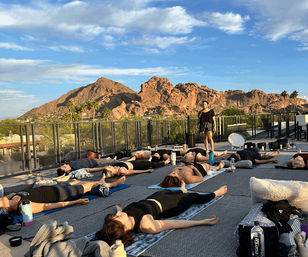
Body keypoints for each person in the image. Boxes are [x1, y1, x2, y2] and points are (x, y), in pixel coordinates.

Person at [95, 183, 227, 247]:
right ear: (125, 228)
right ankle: (216, 193)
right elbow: (174, 223)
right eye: (118, 217)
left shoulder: (122, 216)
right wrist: (202, 222)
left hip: (154, 197)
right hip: (171, 205)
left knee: (174, 191)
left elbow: (117, 213)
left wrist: (117, 208)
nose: (118, 215)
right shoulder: (146, 225)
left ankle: (182, 189)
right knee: (195, 197)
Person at [0, 175, 126, 214]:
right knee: (87, 186)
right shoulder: (23, 207)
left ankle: (100, 182)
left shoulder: (11, 197)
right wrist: (76, 202)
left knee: (77, 181)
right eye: (2, 201)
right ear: (5, 208)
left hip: (54, 188)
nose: (2, 198)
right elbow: (49, 206)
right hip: (62, 195)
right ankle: (113, 184)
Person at [159, 161, 225, 188]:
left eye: (171, 173)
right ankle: (218, 167)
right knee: (207, 166)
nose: (173, 173)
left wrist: (181, 166)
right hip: (198, 169)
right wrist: (194, 168)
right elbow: (201, 178)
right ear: (176, 179)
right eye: (174, 174)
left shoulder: (170, 176)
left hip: (189, 165)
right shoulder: (187, 178)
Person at [100, 159, 170, 178]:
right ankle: (165, 163)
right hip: (136, 165)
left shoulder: (115, 167)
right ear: (111, 172)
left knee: (149, 161)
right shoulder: (122, 171)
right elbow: (134, 171)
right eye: (109, 167)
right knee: (150, 164)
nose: (109, 166)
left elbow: (104, 174)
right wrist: (146, 171)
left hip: (130, 162)